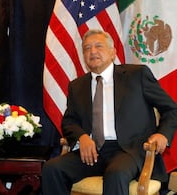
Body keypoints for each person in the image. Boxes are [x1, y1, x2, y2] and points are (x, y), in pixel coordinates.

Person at [42, 29, 177, 195]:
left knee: (115, 173)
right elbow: (69, 122)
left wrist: (163, 134)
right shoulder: (77, 86)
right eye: (87, 48)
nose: (92, 51)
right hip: (92, 153)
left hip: (130, 150)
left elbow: (171, 108)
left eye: (99, 46)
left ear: (113, 52)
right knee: (51, 169)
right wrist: (82, 137)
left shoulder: (137, 75)